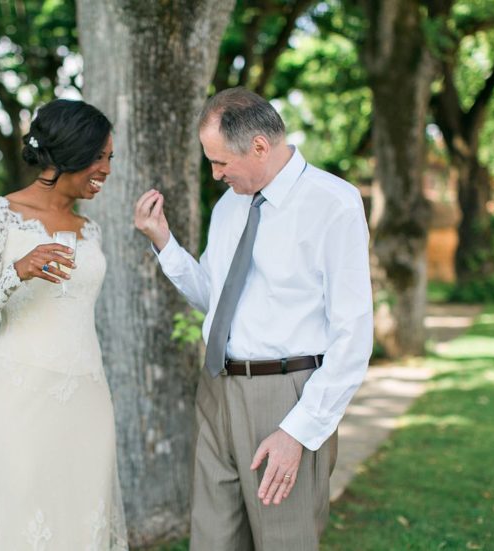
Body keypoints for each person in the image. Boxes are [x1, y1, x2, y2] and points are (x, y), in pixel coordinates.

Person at [134, 87, 373, 550]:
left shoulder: (334, 203)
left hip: (287, 397)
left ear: (260, 146)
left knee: (285, 542)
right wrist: (164, 243)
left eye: (221, 162)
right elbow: (216, 299)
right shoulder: (229, 206)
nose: (215, 173)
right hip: (217, 392)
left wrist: (298, 431)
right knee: (213, 541)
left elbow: (353, 335)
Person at [0, 99, 128, 550]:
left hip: (88, 395)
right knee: (26, 523)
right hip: (21, 395)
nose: (106, 169)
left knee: (86, 519)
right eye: (99, 157)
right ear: (69, 152)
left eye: (110, 158)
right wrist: (17, 272)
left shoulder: (91, 232)